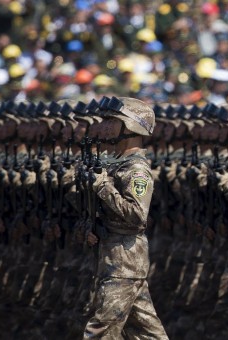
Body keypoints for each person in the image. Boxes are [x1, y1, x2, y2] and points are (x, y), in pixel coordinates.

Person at [83, 97, 168, 339]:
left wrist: (103, 187)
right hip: (116, 259)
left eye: (113, 121)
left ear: (132, 126)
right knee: (145, 331)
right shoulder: (118, 165)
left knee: (101, 330)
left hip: (125, 262)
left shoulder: (136, 170)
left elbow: (137, 216)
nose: (105, 126)